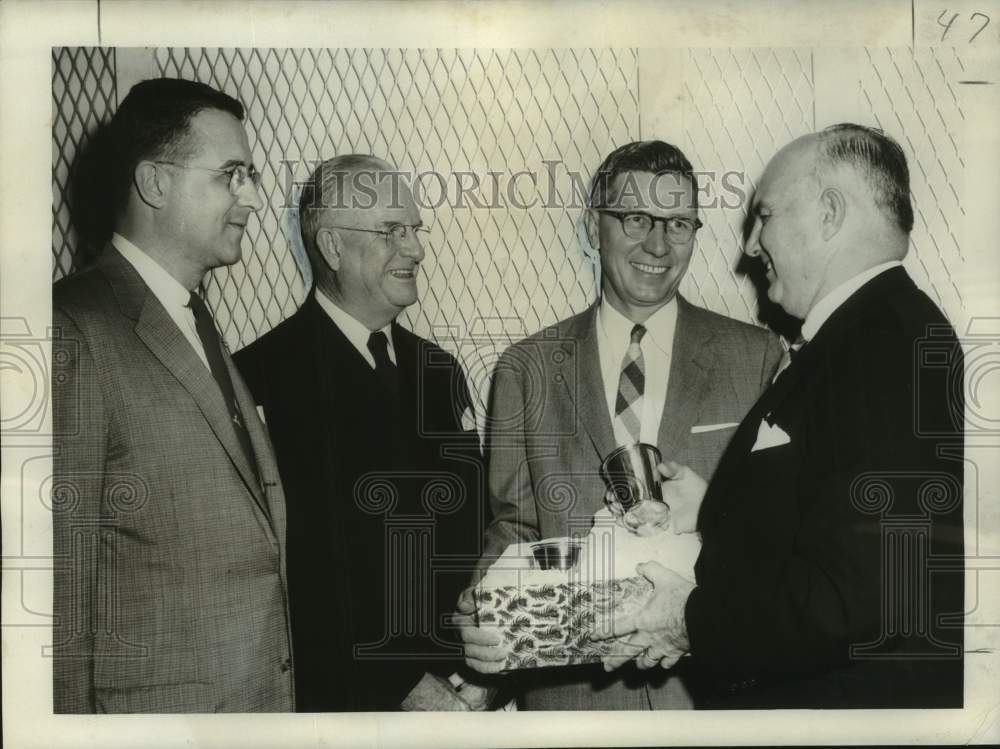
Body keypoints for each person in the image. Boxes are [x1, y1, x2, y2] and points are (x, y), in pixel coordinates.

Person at [595, 124, 965, 708]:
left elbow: (861, 598)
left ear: (829, 214)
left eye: (764, 215)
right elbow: (831, 525)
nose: (749, 245)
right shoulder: (866, 332)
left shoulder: (883, 343)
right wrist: (716, 508)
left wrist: (688, 621)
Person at [458, 140, 782, 710]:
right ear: (594, 227)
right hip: (572, 706)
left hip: (707, 698)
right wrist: (486, 607)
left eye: (678, 224)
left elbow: (778, 534)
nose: (658, 244)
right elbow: (515, 529)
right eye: (636, 219)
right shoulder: (526, 369)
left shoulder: (757, 357)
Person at [51, 78, 294, 713]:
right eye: (231, 175)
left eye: (250, 176)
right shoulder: (71, 328)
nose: (251, 197)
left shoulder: (194, 319)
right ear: (155, 183)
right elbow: (56, 597)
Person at [234, 155, 484, 711]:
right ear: (332, 246)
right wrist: (402, 687)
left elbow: (474, 527)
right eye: (392, 231)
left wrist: (484, 674)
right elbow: (284, 575)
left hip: (465, 688)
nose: (416, 249)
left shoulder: (439, 371)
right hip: (348, 705)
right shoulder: (260, 379)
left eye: (414, 230)